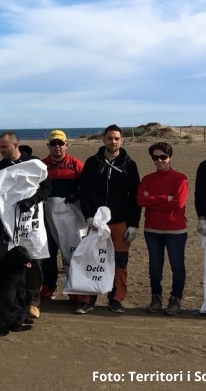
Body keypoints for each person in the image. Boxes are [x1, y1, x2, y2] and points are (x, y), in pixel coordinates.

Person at [78, 124, 141, 314]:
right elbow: (85, 192)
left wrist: (133, 225)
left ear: (121, 140)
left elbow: (135, 196)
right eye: (109, 138)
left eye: (116, 138)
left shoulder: (129, 164)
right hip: (96, 223)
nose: (112, 142)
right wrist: (88, 216)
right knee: (92, 260)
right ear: (103, 139)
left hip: (120, 222)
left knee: (119, 262)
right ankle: (88, 299)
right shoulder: (92, 162)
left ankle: (116, 299)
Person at [0, 132, 52, 319]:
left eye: (4, 147)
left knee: (32, 261)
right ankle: (13, 300)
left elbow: (47, 188)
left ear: (15, 145)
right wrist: (1, 224)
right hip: (9, 225)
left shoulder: (34, 164)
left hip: (31, 223)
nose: (1, 150)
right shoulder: (0, 168)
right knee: (8, 264)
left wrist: (32, 199)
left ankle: (33, 301)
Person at [137, 142, 188, 316]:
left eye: (163, 157)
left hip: (176, 231)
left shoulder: (180, 178)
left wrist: (153, 200)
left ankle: (175, 299)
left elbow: (179, 203)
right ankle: (156, 298)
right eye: (155, 157)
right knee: (155, 266)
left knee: (177, 266)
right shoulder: (147, 179)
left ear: (169, 157)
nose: (159, 161)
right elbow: (141, 201)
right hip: (152, 230)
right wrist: (165, 198)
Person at [39, 130, 83, 302]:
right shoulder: (42, 166)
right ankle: (48, 286)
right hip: (47, 216)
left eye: (60, 143)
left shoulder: (75, 164)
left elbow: (87, 185)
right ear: (48, 145)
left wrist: (77, 192)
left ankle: (75, 287)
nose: (57, 147)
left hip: (71, 216)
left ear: (66, 144)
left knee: (72, 251)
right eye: (53, 143)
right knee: (48, 253)